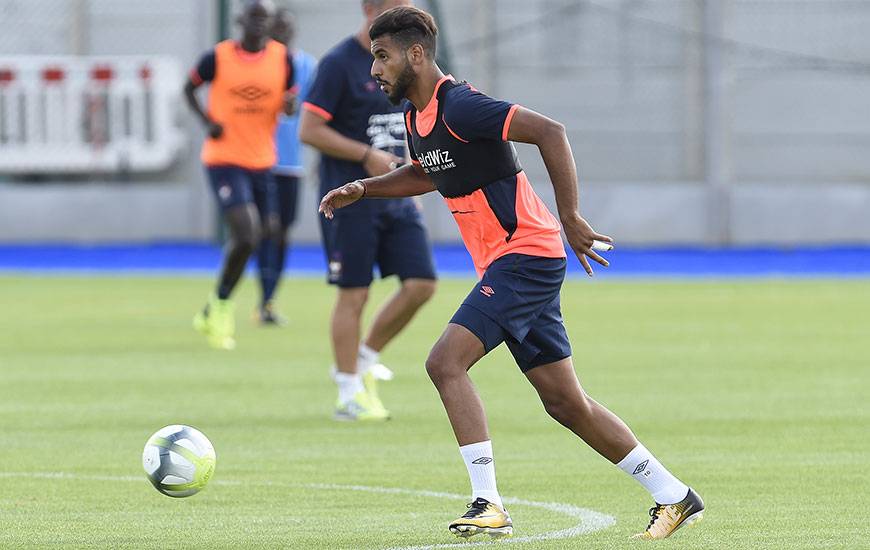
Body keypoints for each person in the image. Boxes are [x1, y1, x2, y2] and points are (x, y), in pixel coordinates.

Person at [320, 5, 705, 541]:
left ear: (416, 54)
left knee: (444, 362)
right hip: (518, 261)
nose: (374, 70)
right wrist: (365, 188)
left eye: (381, 57)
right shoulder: (416, 118)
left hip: (525, 256)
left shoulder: (463, 106)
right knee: (565, 403)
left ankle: (488, 502)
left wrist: (570, 215)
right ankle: (674, 495)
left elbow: (550, 131)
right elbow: (426, 173)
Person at [299, 0, 437, 421]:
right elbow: (309, 128)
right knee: (354, 292)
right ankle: (347, 392)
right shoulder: (340, 63)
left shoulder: (410, 61)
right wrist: (365, 156)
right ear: (370, 8)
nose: (406, 9)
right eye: (397, 3)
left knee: (421, 284)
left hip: (395, 194)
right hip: (350, 196)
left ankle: (364, 359)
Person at [184, 0, 295, 349]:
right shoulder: (217, 57)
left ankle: (213, 307)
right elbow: (188, 88)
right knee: (247, 234)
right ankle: (221, 309)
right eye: (254, 17)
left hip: (263, 161)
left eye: (266, 19)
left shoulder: (283, 59)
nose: (260, 24)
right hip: (224, 158)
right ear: (240, 21)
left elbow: (288, 100)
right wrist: (207, 122)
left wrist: (289, 106)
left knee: (267, 232)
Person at [253, 7, 318, 326]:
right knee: (266, 228)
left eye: (288, 29)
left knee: (281, 232)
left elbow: (319, 113)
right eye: (278, 29)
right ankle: (263, 296)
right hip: (260, 160)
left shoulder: (308, 66)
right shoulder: (259, 66)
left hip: (292, 163)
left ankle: (269, 297)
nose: (283, 34)